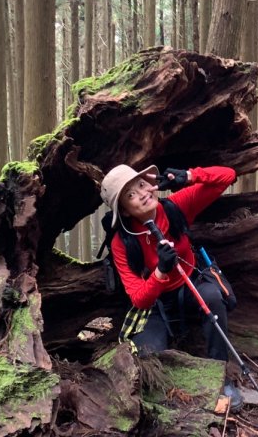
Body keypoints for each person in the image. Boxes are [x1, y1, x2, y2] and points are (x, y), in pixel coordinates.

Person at [99, 163, 242, 409]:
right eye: (131, 194)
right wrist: (159, 272)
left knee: (213, 299)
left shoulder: (175, 207)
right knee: (149, 357)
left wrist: (188, 176)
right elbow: (138, 299)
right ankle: (185, 397)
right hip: (154, 305)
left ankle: (222, 377)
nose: (143, 193)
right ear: (123, 211)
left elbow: (227, 176)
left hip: (190, 284)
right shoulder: (122, 242)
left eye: (142, 185)